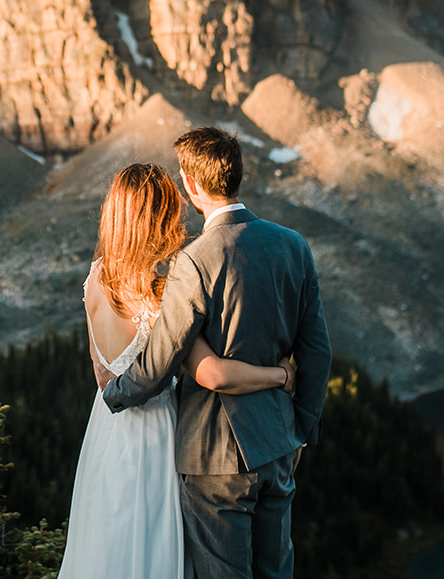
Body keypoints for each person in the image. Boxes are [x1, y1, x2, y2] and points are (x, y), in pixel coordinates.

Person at [103, 127, 332, 579]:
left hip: (215, 456)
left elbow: (161, 357)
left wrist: (114, 394)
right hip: (279, 442)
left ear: (191, 185)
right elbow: (318, 350)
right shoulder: (293, 245)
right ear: (237, 176)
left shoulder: (196, 259)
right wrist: (302, 427)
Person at [60, 162, 296, 579]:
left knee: (108, 539)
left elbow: (101, 374)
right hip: (159, 434)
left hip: (106, 429)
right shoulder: (164, 293)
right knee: (157, 543)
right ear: (160, 220)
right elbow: (212, 373)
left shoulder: (95, 278)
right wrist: (279, 376)